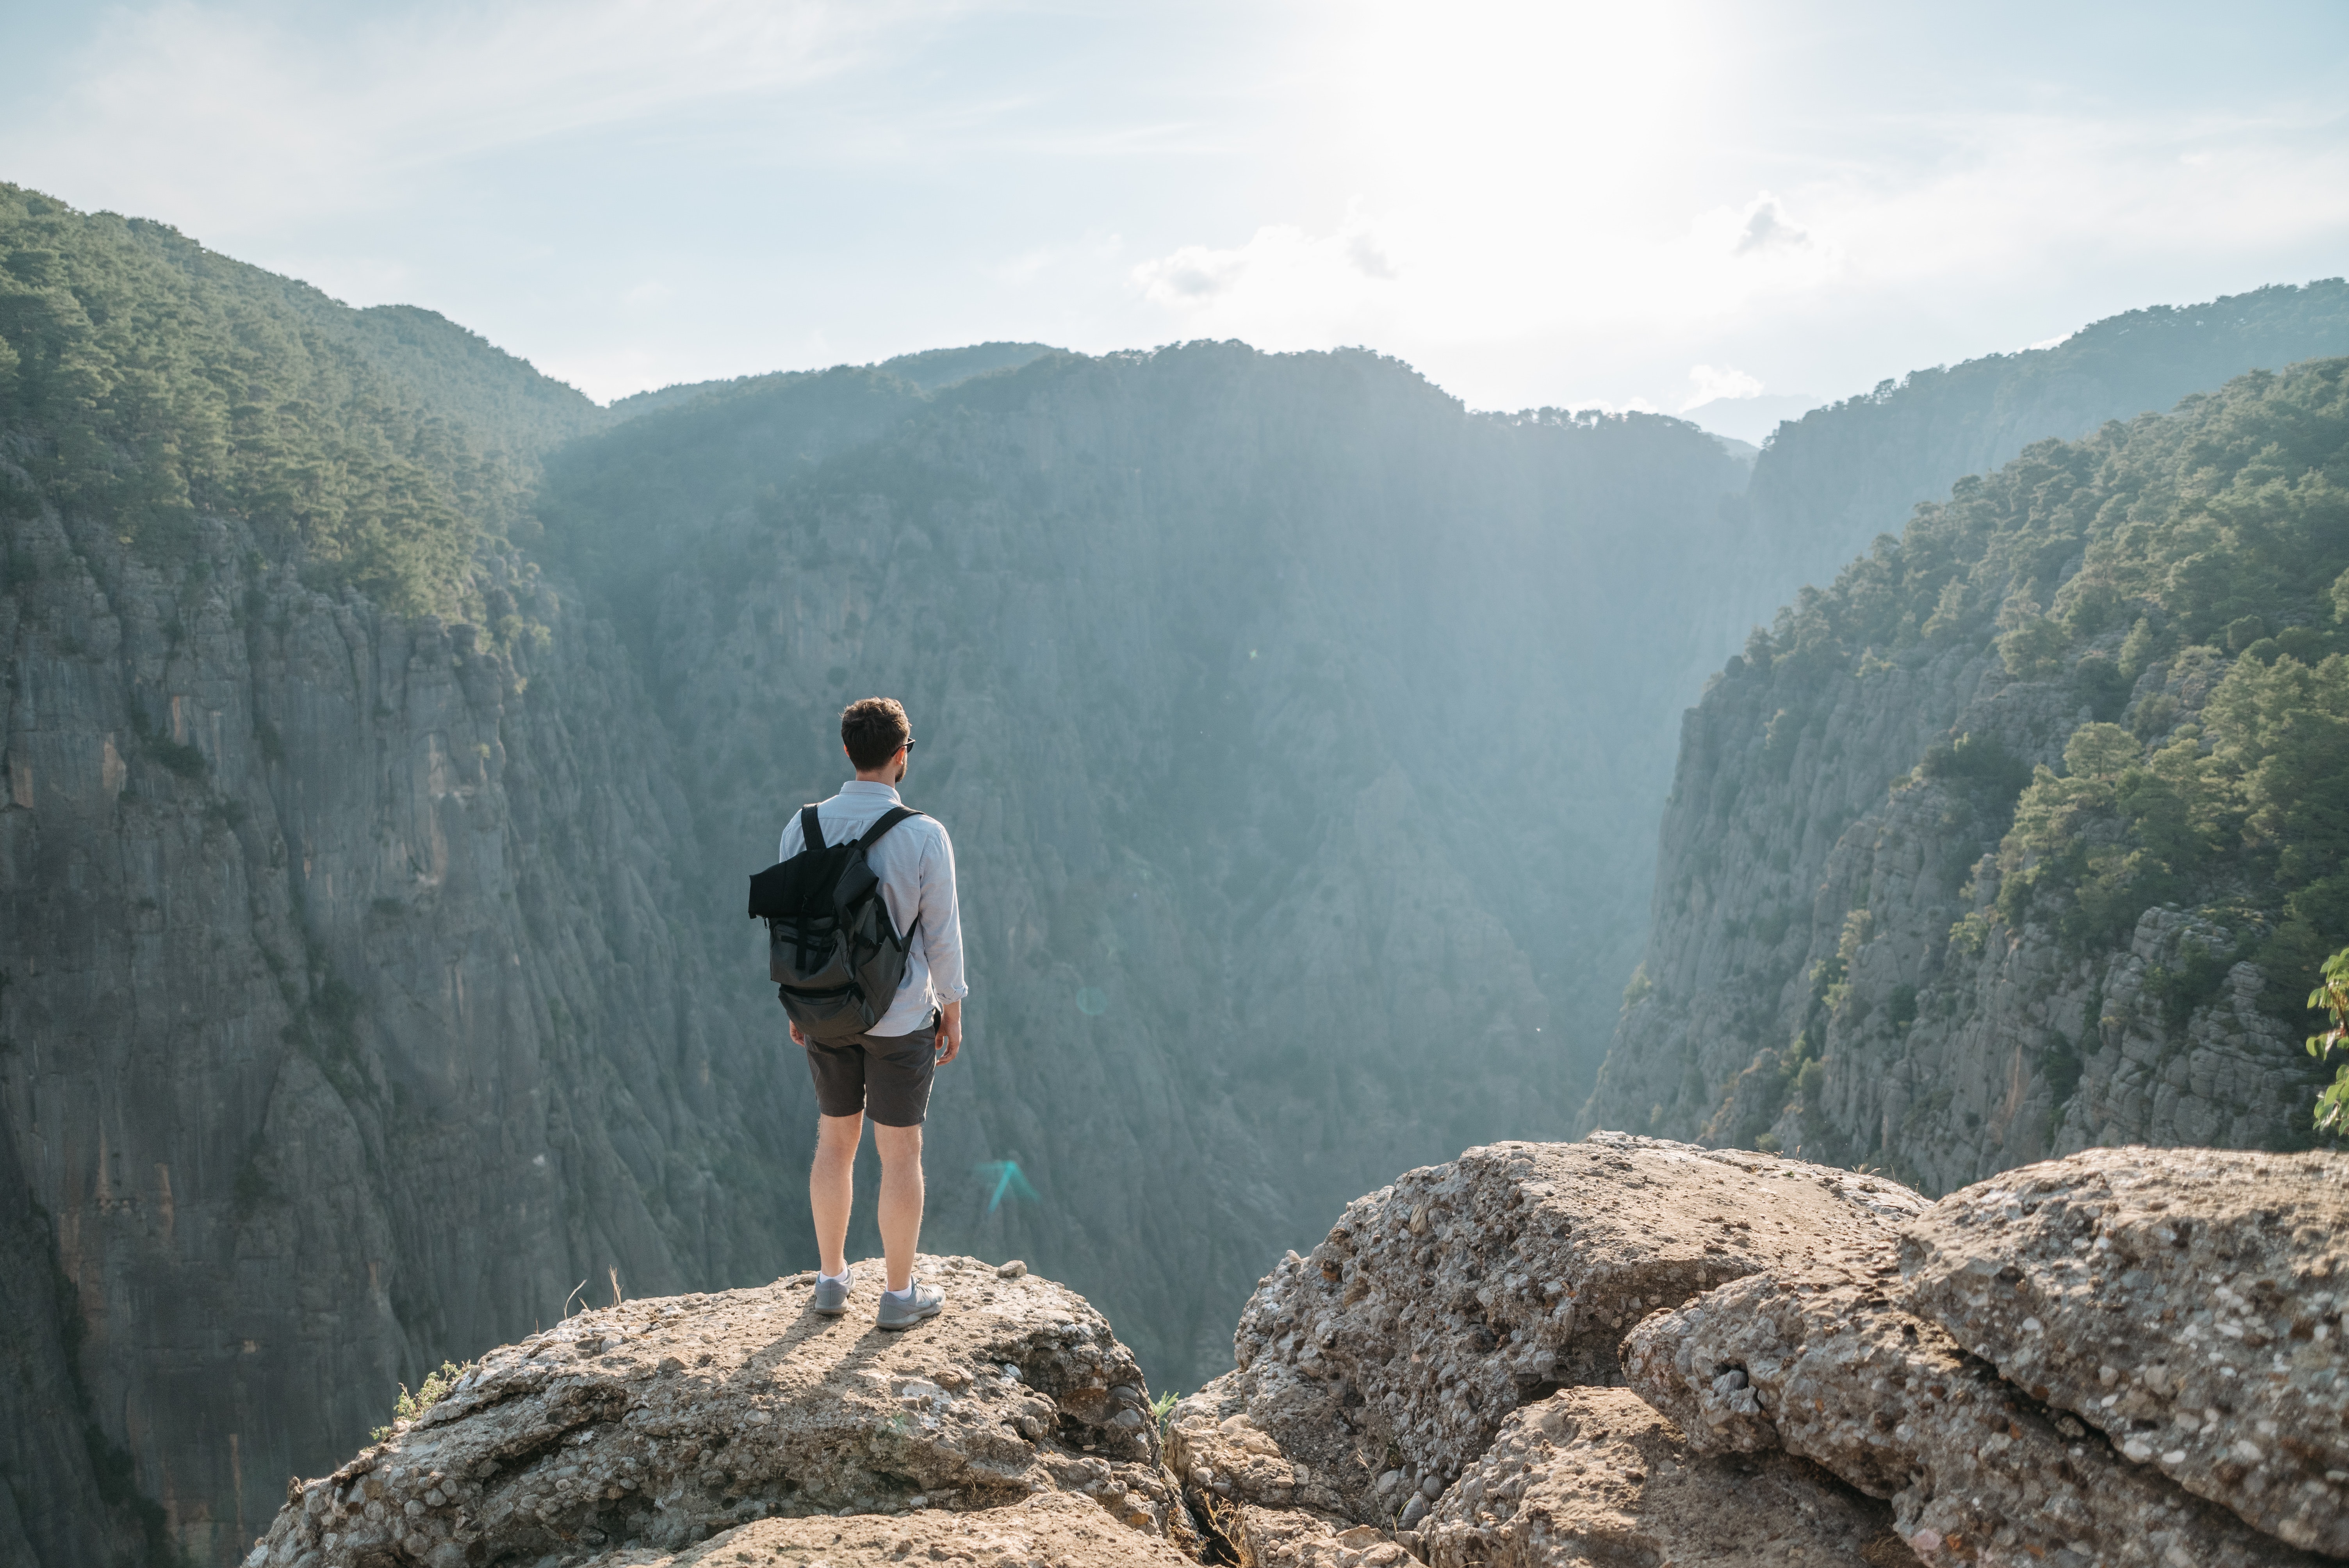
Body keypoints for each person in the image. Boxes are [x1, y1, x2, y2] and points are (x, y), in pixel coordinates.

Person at [780, 697, 966, 1329]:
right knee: (900, 1153)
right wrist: (954, 1010)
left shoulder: (802, 827)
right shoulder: (922, 835)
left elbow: (792, 929)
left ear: (846, 752)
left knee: (835, 1143)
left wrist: (800, 1000)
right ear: (901, 756)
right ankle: (896, 1294)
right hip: (902, 1016)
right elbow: (942, 934)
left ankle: (831, 1281)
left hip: (826, 1012)